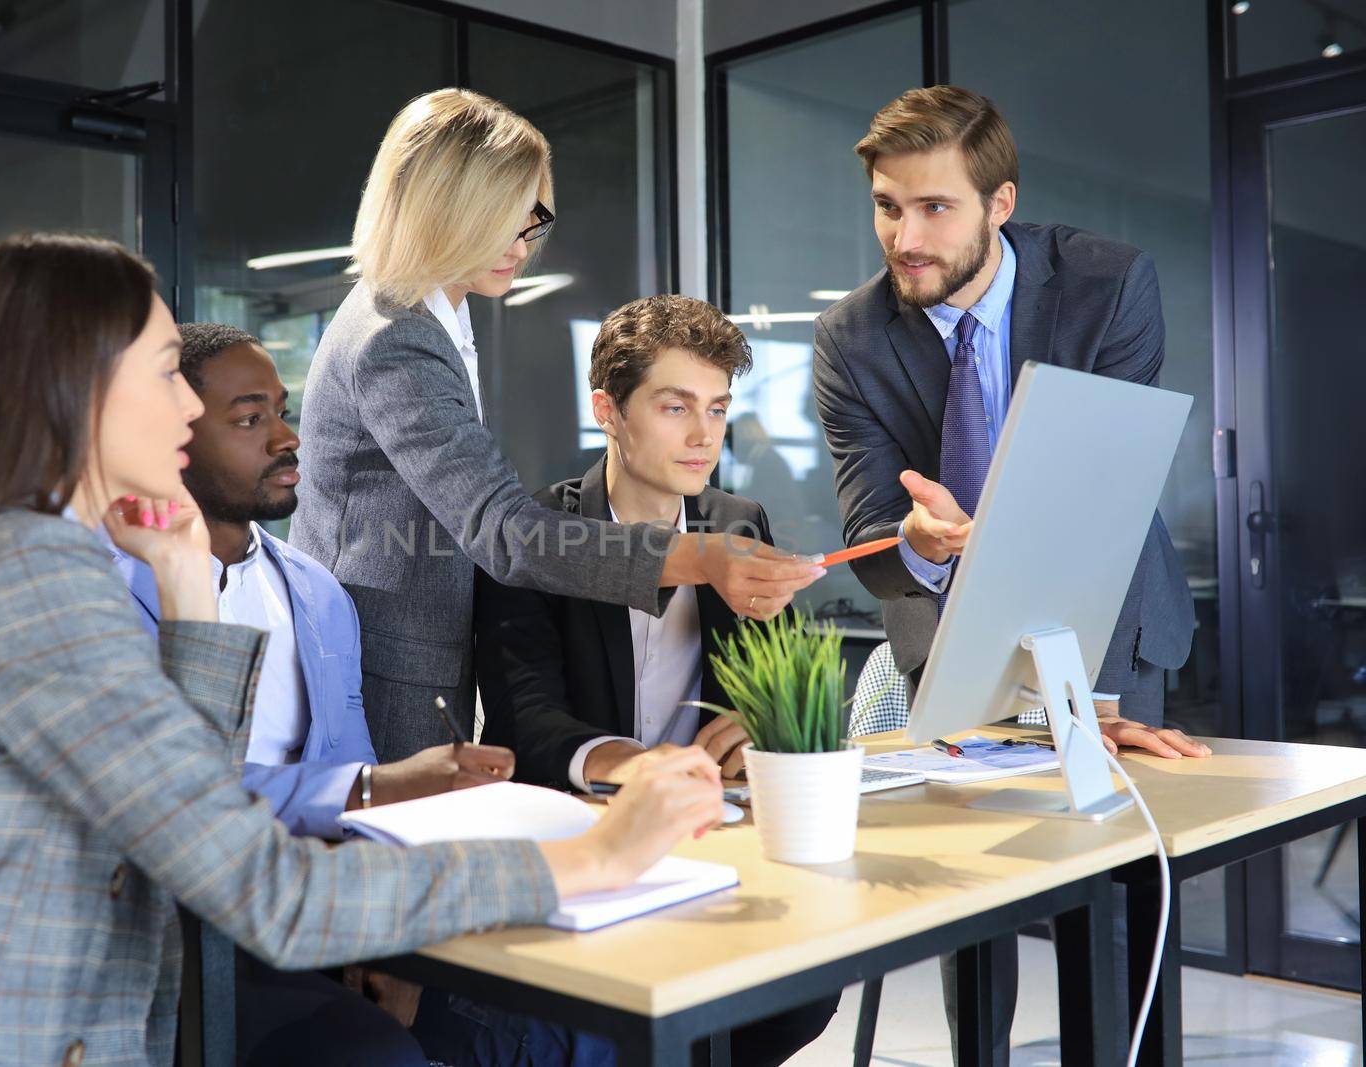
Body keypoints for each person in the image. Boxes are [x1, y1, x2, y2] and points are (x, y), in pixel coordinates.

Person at [0, 233, 725, 1065]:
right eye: (160, 374)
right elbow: (264, 889)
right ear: (75, 388)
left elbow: (191, 794)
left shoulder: (20, 560)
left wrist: (184, 578)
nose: (186, 411)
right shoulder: (27, 589)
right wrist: (590, 859)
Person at [810, 86, 1211, 1063]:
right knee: (974, 899)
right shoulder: (851, 339)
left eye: (934, 207)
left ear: (1000, 204)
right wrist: (918, 538)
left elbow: (1103, 480)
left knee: (1120, 897)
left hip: (1104, 614)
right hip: (949, 633)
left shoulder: (1106, 283)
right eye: (885, 205)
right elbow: (871, 524)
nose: (904, 235)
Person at [292, 88, 825, 762]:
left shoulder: (432, 322)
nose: (525, 243)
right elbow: (505, 531)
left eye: (531, 219)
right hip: (386, 670)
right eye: (507, 221)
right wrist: (701, 557)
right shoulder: (396, 337)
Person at [102, 321, 521, 1063]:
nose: (287, 438)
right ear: (173, 440)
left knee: (506, 1024)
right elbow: (178, 804)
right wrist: (373, 785)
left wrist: (381, 938)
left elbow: (347, 765)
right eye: (250, 418)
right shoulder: (106, 593)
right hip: (179, 931)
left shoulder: (318, 593)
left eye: (282, 410)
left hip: (318, 909)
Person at [475, 294, 838, 1066]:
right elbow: (524, 717)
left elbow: (785, 672)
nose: (704, 434)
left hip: (719, 836)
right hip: (586, 835)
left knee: (804, 991)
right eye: (675, 407)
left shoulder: (737, 522)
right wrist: (645, 766)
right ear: (609, 409)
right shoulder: (536, 536)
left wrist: (759, 719)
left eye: (717, 407)